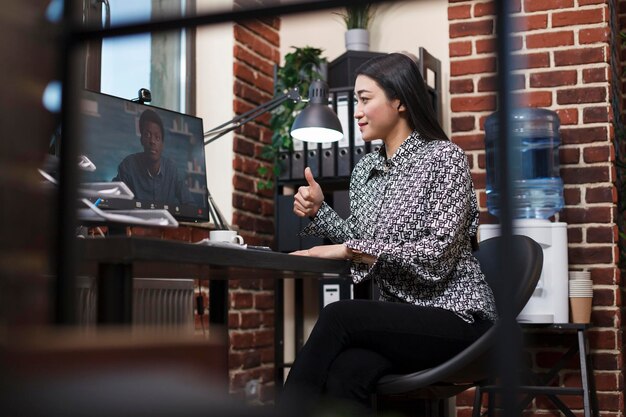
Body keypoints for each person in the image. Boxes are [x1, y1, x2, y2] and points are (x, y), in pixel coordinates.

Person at [281, 53, 498, 415]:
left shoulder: (444, 158)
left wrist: (347, 251)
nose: (356, 111)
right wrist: (320, 210)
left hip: (458, 319)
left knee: (339, 316)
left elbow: (436, 256)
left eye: (365, 99)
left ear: (399, 100)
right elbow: (360, 236)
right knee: (346, 374)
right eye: (356, 101)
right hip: (404, 321)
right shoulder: (366, 168)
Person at [113, 109, 193, 206]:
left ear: (162, 144)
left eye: (157, 137)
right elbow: (113, 199)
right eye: (147, 135)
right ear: (141, 140)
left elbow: (190, 205)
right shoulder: (128, 166)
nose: (152, 141)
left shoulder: (172, 170)